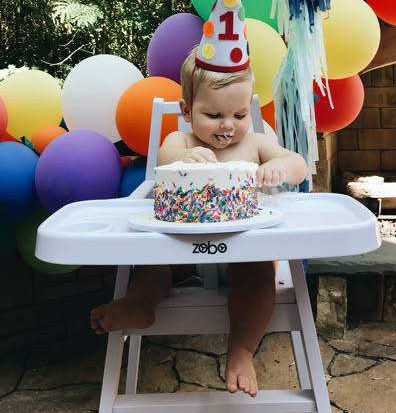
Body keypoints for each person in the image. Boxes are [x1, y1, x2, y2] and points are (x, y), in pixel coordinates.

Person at [90, 47, 307, 397]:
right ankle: (140, 304)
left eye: (239, 114)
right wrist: (184, 157)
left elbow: (296, 163)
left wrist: (281, 167)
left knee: (259, 278)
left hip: (244, 247)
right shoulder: (182, 140)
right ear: (187, 111)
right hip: (184, 248)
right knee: (153, 267)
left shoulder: (256, 144)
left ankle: (241, 349)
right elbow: (165, 156)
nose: (228, 125)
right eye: (214, 113)